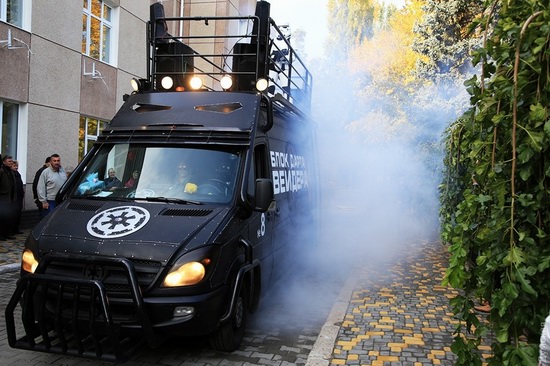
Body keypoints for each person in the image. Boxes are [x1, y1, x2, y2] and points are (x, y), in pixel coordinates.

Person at [37, 154, 67, 218]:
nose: (56, 162)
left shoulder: (63, 171)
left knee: (59, 219)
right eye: (54, 161)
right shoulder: (45, 172)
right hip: (50, 201)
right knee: (49, 219)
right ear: (51, 162)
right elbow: (41, 187)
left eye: (58, 160)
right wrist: (44, 201)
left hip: (62, 200)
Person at [0, 154, 17, 240]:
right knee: (2, 218)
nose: (11, 163)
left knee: (8, 218)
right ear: (4, 162)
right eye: (9, 161)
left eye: (11, 161)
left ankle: (7, 233)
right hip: (3, 198)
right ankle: (2, 235)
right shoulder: (2, 171)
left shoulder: (11, 172)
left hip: (10, 198)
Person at [10, 159, 25, 234]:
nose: (16, 167)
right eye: (14, 166)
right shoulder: (11, 174)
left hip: (19, 197)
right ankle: (12, 230)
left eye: (17, 166)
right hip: (14, 198)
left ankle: (16, 229)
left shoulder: (17, 174)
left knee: (18, 215)